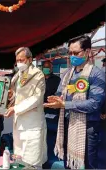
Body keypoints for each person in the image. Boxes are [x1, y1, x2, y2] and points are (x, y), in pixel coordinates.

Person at [44, 35, 105, 169]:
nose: (72, 56)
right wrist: (56, 99)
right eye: (70, 53)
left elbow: (95, 103)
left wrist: (65, 104)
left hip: (87, 128)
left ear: (88, 52)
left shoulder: (96, 74)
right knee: (69, 163)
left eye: (76, 53)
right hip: (67, 125)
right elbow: (60, 93)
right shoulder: (67, 74)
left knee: (88, 165)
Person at [5, 47, 47, 168]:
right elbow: (16, 96)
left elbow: (36, 98)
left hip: (32, 126)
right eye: (17, 60)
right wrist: (8, 98)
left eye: (22, 60)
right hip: (19, 124)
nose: (19, 63)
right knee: (19, 160)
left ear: (30, 59)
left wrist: (15, 108)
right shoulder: (17, 76)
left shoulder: (38, 74)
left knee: (32, 163)